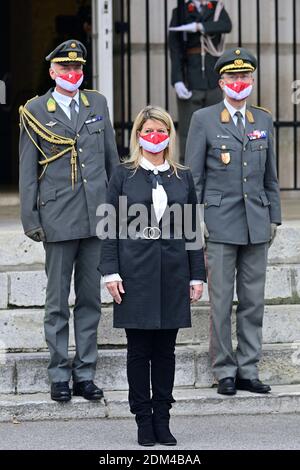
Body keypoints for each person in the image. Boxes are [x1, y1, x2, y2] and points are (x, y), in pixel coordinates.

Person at [99, 106, 206, 446]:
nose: (155, 137)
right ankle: (143, 419)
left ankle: (163, 417)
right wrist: (110, 272)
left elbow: (193, 230)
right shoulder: (123, 174)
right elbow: (109, 227)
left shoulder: (182, 176)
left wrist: (196, 275)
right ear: (138, 136)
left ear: (170, 136)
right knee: (138, 350)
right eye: (149, 131)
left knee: (166, 352)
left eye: (161, 131)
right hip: (135, 272)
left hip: (173, 272)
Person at [19, 40, 119, 402]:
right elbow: (28, 171)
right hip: (58, 217)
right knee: (57, 301)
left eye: (77, 69)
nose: (72, 74)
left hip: (96, 216)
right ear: (52, 72)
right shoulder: (35, 110)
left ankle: (85, 373)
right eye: (65, 69)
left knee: (90, 299)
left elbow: (111, 159)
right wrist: (31, 218)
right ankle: (59, 374)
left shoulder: (97, 103)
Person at [185, 47, 282, 396]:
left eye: (245, 77)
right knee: (222, 302)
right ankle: (224, 369)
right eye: (233, 77)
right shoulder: (204, 120)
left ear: (252, 80)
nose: (239, 83)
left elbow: (271, 176)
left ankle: (248, 368)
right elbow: (193, 177)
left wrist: (274, 217)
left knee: (254, 301)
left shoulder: (263, 120)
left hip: (256, 223)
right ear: (221, 81)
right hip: (220, 224)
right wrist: (195, 220)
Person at [169, 0, 232, 163]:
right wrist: (177, 80)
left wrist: (200, 27)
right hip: (190, 79)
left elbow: (226, 25)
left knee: (217, 131)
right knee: (188, 132)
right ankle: (187, 173)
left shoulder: (216, 8)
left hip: (213, 79)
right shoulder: (180, 12)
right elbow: (175, 48)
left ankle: (216, 172)